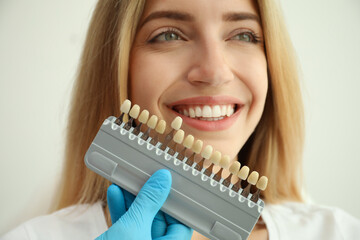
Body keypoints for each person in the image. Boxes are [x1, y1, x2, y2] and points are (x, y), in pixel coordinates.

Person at [2, 0, 360, 239]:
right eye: (169, 34)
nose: (214, 72)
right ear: (118, 66)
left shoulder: (337, 233)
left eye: (244, 35)